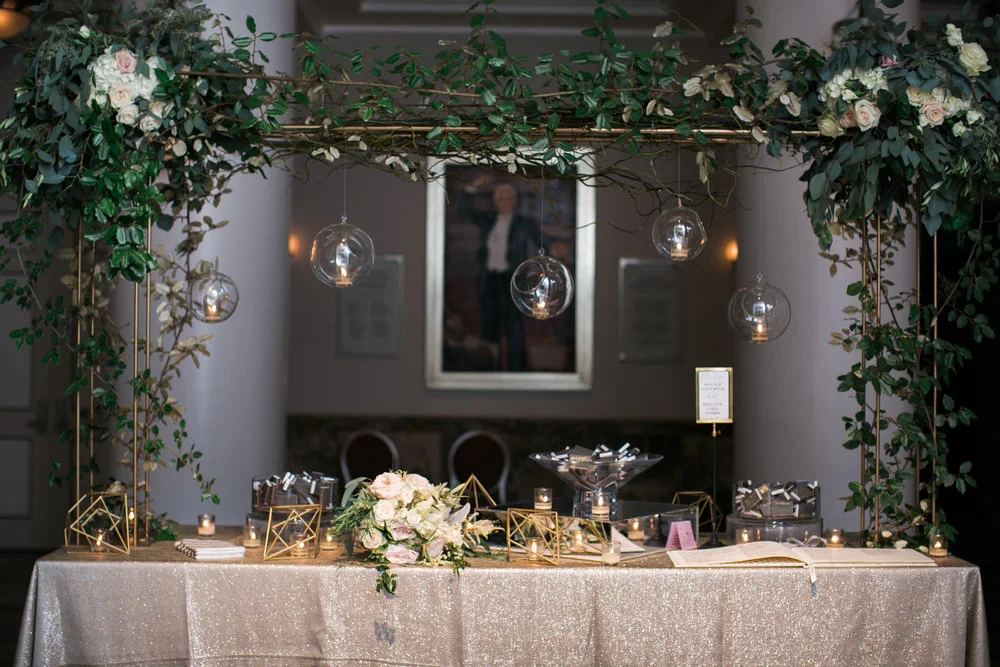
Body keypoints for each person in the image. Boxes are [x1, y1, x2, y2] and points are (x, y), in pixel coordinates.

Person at [459, 175, 545, 372]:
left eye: (508, 198)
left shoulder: (524, 223)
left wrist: (556, 248)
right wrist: (471, 188)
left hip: (511, 281)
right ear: (495, 202)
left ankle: (517, 372)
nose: (504, 203)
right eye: (500, 199)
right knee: (489, 327)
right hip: (489, 280)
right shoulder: (488, 220)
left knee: (515, 329)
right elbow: (465, 210)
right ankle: (490, 371)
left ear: (515, 202)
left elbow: (542, 240)